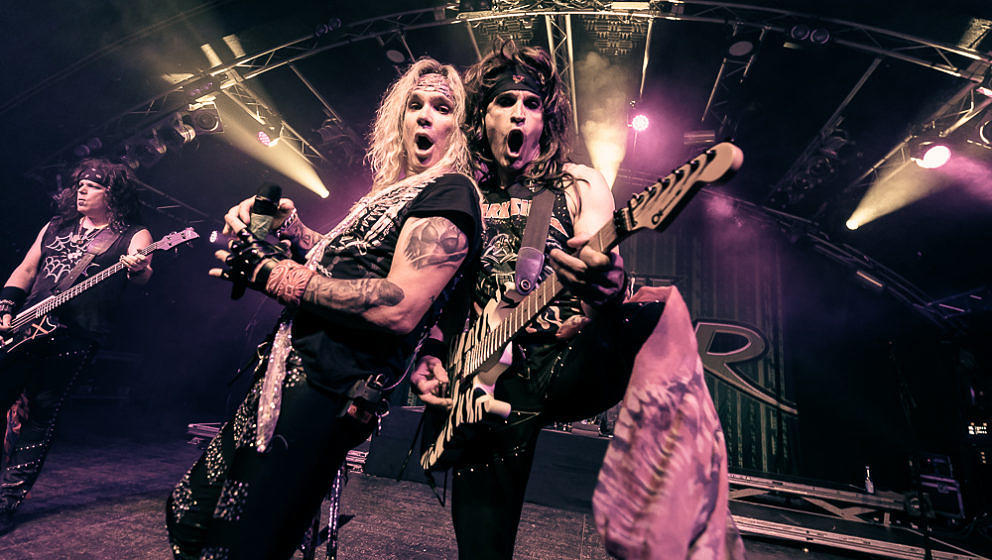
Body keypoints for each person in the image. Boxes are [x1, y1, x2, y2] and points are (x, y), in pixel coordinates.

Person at [411, 41, 743, 559]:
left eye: (532, 103)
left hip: (562, 358)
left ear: (545, 121)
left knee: (647, 312)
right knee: (480, 548)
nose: (519, 113)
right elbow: (443, 291)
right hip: (479, 377)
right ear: (482, 118)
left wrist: (605, 283)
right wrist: (433, 352)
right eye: (505, 102)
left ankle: (671, 512)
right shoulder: (461, 191)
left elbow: (601, 259)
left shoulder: (576, 183)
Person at [165, 58, 483, 560]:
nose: (424, 115)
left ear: (459, 126)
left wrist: (272, 274)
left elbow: (398, 305)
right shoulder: (393, 192)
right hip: (287, 373)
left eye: (441, 107)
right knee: (191, 513)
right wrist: (293, 232)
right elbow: (349, 266)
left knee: (243, 541)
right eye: (414, 104)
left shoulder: (452, 192)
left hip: (326, 389)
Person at [0, 157, 152, 535]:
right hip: (24, 327)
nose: (81, 190)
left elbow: (143, 275)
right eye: (79, 184)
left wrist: (137, 267)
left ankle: (7, 501)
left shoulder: (133, 235)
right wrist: (5, 308)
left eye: (92, 185)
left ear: (112, 193)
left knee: (41, 413)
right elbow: (26, 269)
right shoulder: (55, 226)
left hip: (76, 335)